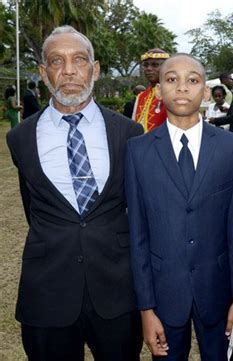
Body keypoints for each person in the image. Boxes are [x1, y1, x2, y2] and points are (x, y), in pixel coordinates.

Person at [6, 25, 143, 361]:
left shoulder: (129, 132)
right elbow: (34, 207)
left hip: (117, 291)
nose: (68, 71)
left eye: (79, 60)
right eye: (56, 61)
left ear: (94, 69)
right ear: (43, 72)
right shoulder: (20, 138)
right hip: (48, 291)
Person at [125, 53, 233, 360]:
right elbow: (137, 234)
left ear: (206, 91)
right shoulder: (138, 151)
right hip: (164, 293)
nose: (182, 88)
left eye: (192, 80)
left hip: (217, 290)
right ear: (159, 90)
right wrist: (146, 308)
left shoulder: (231, 148)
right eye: (171, 80)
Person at [132, 48, 170, 132]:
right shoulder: (141, 96)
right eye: (146, 65)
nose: (149, 68)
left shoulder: (174, 94)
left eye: (155, 65)